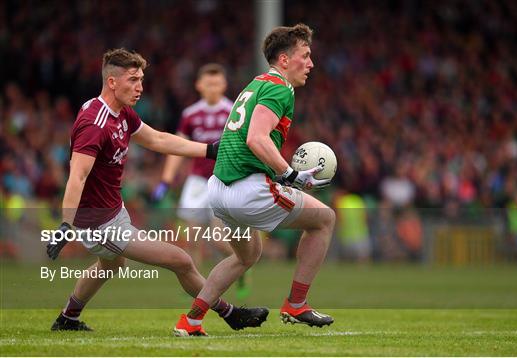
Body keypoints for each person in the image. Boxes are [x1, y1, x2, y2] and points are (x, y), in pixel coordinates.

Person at [45, 49, 268, 335]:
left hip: (113, 210)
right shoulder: (95, 124)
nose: (140, 87)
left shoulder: (120, 112)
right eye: (133, 80)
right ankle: (230, 313)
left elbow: (157, 139)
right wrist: (66, 223)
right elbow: (77, 175)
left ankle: (68, 318)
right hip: (98, 222)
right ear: (112, 82)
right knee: (181, 259)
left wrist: (210, 150)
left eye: (141, 79)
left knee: (110, 265)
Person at [174, 24, 335, 337]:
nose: (311, 64)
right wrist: (290, 174)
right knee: (325, 220)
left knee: (246, 255)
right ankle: (296, 304)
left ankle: (191, 320)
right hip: (248, 191)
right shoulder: (280, 87)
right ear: (285, 60)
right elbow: (256, 138)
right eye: (306, 55)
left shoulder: (256, 83)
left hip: (218, 190)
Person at [152, 64, 251, 298]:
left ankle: (242, 263)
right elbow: (177, 146)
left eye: (217, 83)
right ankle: (200, 291)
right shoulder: (190, 115)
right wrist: (165, 181)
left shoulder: (234, 110)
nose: (213, 88)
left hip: (223, 180)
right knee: (193, 240)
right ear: (199, 85)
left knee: (218, 239)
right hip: (196, 182)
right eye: (208, 83)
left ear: (224, 85)